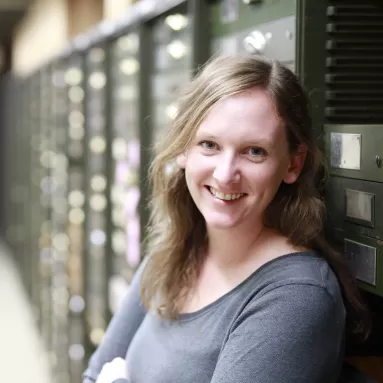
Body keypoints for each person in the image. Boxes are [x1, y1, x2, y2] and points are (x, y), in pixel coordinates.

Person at [83, 55, 370, 383]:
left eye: (254, 151)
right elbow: (92, 375)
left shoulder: (296, 297)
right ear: (183, 150)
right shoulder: (173, 251)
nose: (225, 174)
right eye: (209, 145)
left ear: (293, 163)